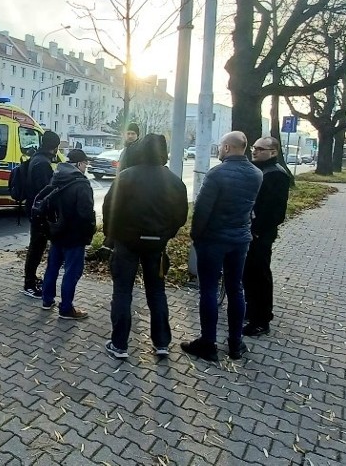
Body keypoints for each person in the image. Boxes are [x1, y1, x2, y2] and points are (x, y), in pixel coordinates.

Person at [102, 134, 188, 359]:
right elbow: (180, 216)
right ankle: (161, 343)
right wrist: (165, 235)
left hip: (126, 244)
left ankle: (119, 344)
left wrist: (112, 236)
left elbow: (109, 209)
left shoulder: (127, 177)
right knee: (157, 292)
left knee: (122, 292)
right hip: (156, 247)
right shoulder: (174, 181)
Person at [182, 131, 262, 361]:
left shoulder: (216, 174)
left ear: (227, 148)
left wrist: (196, 237)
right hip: (240, 240)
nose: (218, 150)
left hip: (214, 240)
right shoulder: (256, 174)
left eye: (220, 146)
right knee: (236, 288)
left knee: (208, 289)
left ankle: (208, 343)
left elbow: (202, 211)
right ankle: (236, 343)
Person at [39, 148, 96, 319]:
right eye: (85, 163)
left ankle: (47, 300)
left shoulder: (57, 177)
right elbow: (86, 214)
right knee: (72, 272)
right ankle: (66, 309)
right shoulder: (81, 184)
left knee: (52, 268)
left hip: (56, 232)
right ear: (79, 164)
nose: (86, 167)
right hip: (74, 236)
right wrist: (88, 234)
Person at [243, 136, 290, 337]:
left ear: (273, 152)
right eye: (254, 147)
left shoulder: (277, 175)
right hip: (250, 231)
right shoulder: (259, 170)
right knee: (248, 274)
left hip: (260, 235)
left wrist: (257, 231)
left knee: (259, 275)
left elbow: (276, 212)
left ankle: (261, 319)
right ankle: (252, 310)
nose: (255, 151)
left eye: (260, 149)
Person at [22, 130, 61, 298]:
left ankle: (31, 279)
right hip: (39, 212)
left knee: (36, 247)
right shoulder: (43, 163)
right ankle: (29, 284)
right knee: (36, 248)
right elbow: (46, 191)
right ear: (55, 147)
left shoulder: (36, 158)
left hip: (34, 209)